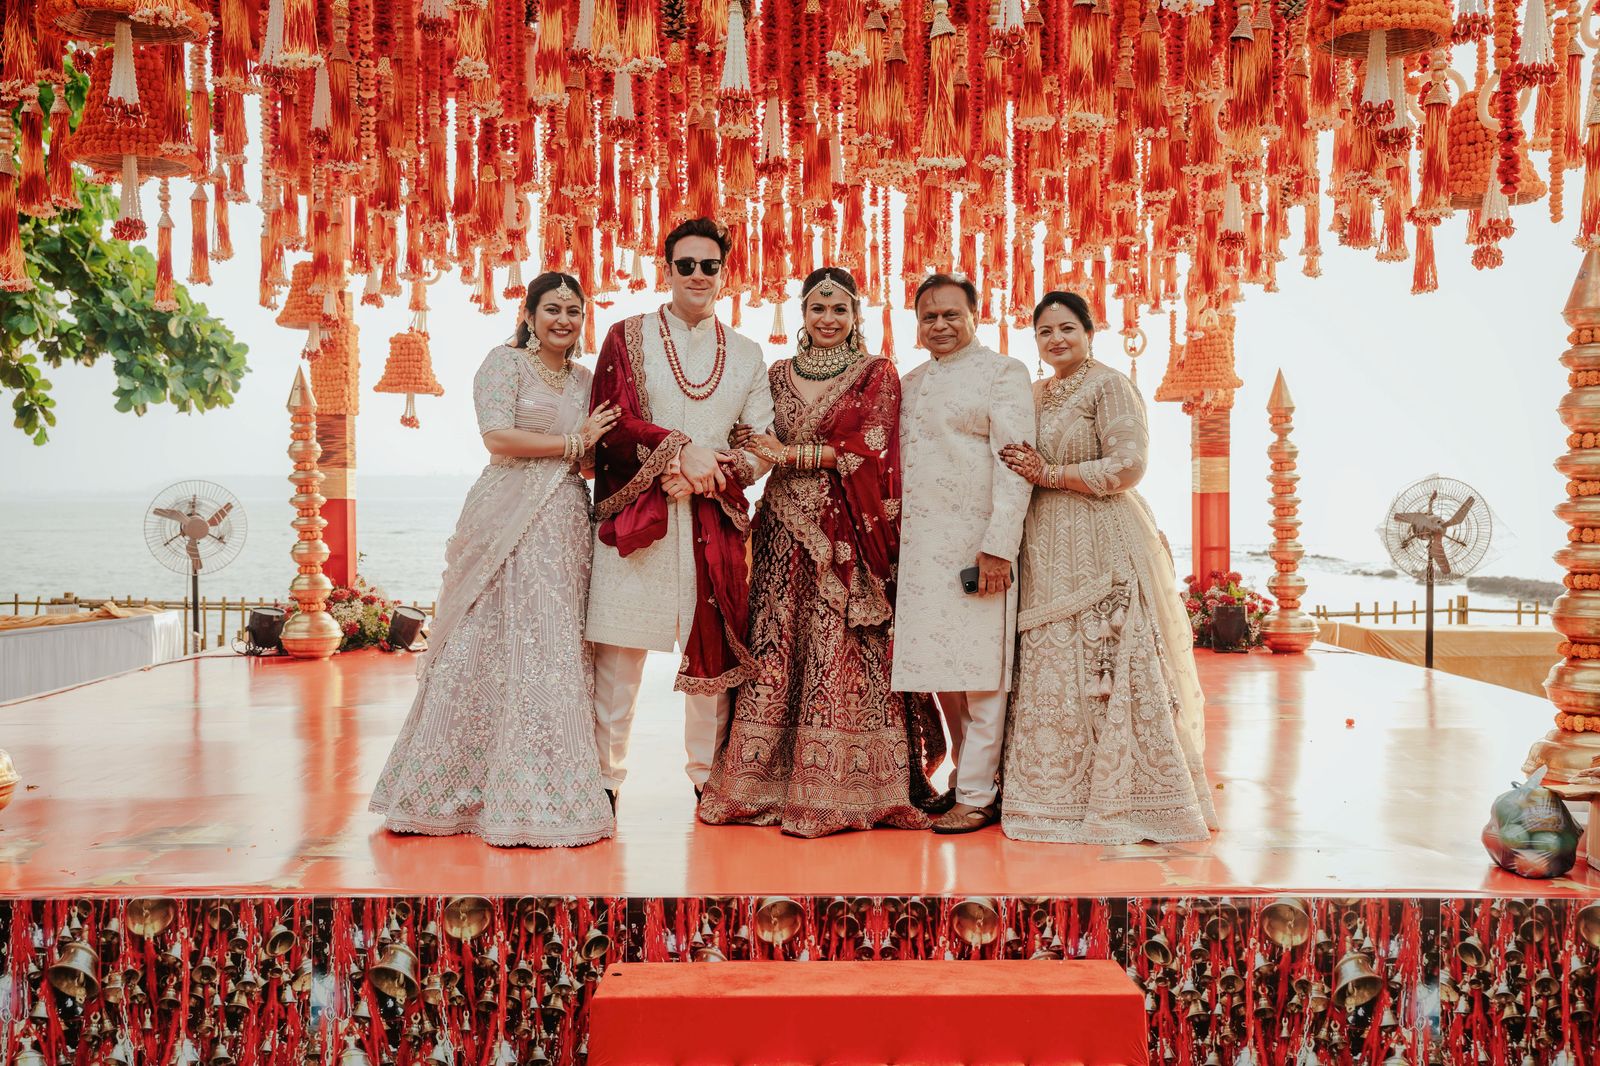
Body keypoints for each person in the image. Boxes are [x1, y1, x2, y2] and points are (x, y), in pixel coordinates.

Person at [369, 273, 621, 847]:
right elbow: (498, 438)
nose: (563, 320)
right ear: (528, 316)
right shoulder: (503, 364)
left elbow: (589, 460)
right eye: (552, 309)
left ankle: (543, 790)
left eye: (574, 312)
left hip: (562, 523)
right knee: (481, 639)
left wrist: (602, 452)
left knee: (551, 642)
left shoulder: (585, 380)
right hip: (503, 513)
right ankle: (451, 788)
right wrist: (576, 442)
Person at [696, 267, 946, 837]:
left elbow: (874, 450)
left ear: (855, 315)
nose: (828, 319)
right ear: (802, 314)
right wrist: (743, 452)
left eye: (839, 309)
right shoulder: (776, 374)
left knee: (843, 646)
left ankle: (851, 784)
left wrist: (790, 455)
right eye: (818, 308)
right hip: (782, 530)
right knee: (777, 644)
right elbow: (752, 436)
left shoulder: (876, 373)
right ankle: (766, 780)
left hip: (847, 534)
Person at [997, 291, 1217, 844]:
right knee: (1048, 656)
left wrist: (1049, 474)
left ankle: (1126, 795)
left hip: (1100, 539)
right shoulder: (1033, 393)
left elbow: (1129, 465)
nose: (1056, 340)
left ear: (1090, 333)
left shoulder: (1110, 385)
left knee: (1105, 656)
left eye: (1067, 328)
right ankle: (1047, 794)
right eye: (1045, 331)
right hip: (1042, 542)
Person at [586, 217, 776, 804]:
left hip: (710, 517)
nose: (697, 275)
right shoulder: (626, 336)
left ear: (724, 272)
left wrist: (707, 473)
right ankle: (605, 781)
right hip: (637, 517)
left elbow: (760, 441)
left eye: (708, 266)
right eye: (686, 265)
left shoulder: (745, 353)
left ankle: (707, 778)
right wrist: (677, 451)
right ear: (666, 269)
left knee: (711, 659)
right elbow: (609, 422)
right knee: (619, 660)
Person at [891, 272, 1036, 834]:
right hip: (919, 556)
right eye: (929, 317)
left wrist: (998, 547)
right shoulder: (910, 382)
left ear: (976, 315)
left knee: (981, 673)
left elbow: (1014, 464)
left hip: (977, 551)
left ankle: (977, 794)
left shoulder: (1003, 373)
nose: (940, 325)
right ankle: (965, 778)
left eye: (952, 314)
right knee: (941, 671)